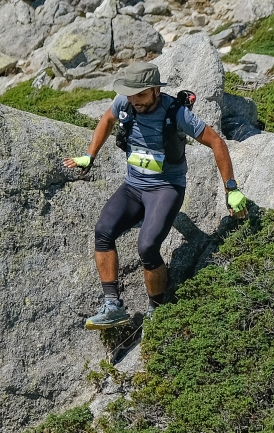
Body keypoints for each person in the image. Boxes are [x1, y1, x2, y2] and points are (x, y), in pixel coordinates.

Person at [64, 61, 248, 330]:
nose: (135, 100)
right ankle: (113, 305)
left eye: (141, 94)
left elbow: (216, 142)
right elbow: (106, 120)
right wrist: (89, 155)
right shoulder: (124, 102)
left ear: (156, 91)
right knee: (103, 231)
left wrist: (231, 189)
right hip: (133, 186)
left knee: (147, 246)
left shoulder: (177, 113)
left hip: (166, 188)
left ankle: (157, 310)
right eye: (131, 94)